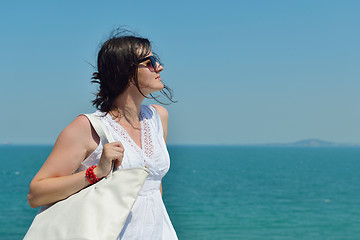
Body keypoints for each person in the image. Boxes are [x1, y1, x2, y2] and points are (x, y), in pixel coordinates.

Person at [27, 30, 178, 239]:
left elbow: (153, 187)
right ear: (125, 71)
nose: (159, 66)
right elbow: (36, 193)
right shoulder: (88, 127)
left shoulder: (158, 117)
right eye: (150, 61)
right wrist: (96, 172)